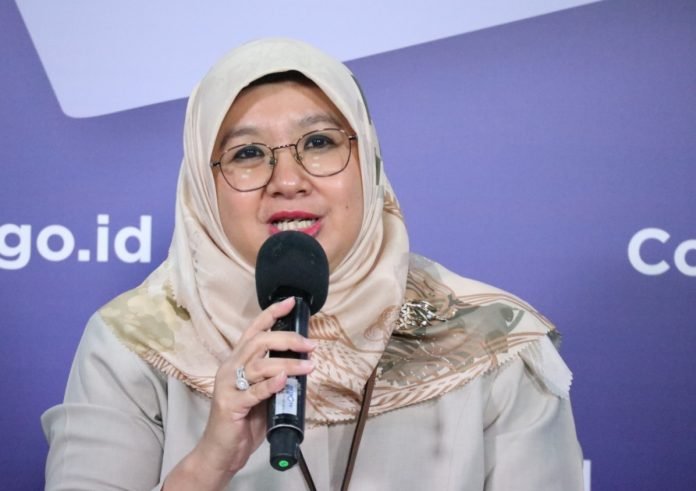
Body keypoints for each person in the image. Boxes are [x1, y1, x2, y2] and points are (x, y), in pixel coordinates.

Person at [42, 38, 584, 490]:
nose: (288, 180)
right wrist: (209, 463)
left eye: (320, 142)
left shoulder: (493, 340)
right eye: (247, 153)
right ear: (202, 188)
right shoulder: (134, 344)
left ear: (368, 162)